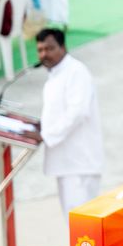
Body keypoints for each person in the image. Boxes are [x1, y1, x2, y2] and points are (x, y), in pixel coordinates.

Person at [34, 28, 103, 225]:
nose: (44, 54)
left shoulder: (76, 72)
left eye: (49, 48)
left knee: (83, 227)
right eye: (40, 50)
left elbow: (77, 113)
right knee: (73, 224)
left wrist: (46, 135)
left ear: (63, 47)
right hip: (66, 163)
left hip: (79, 163)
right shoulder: (56, 75)